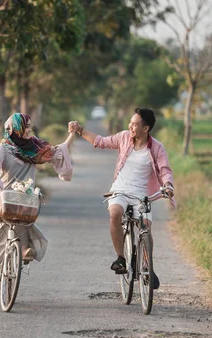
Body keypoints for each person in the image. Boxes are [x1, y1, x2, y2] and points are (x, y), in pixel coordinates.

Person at [68, 108, 174, 289]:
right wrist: (80, 130)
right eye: (130, 123)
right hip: (120, 189)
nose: (130, 126)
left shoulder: (156, 148)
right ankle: (121, 258)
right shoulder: (124, 137)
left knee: (146, 228)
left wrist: (168, 185)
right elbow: (101, 141)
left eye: (135, 124)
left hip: (142, 194)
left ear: (146, 128)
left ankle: (147, 265)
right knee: (115, 214)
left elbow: (165, 170)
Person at [0, 113, 75, 297]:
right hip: (4, 200)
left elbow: (58, 152)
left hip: (26, 199)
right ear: (16, 128)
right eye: (27, 126)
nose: (30, 129)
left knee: (24, 222)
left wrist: (71, 134)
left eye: (30, 126)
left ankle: (23, 249)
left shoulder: (35, 147)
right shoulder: (3, 149)